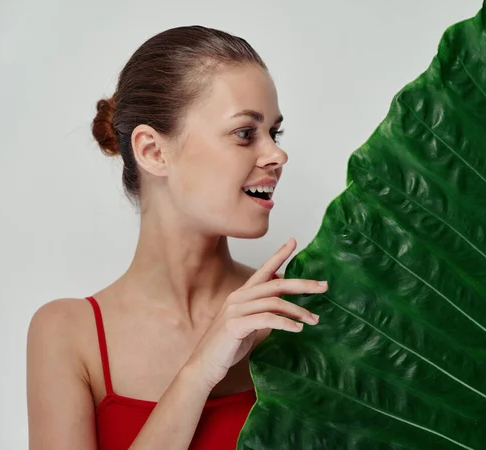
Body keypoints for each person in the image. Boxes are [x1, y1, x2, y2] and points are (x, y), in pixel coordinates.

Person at [26, 25, 328, 450]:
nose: (277, 155)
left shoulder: (297, 317)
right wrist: (200, 371)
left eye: (273, 133)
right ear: (152, 151)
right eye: (246, 133)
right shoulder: (66, 335)